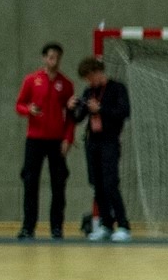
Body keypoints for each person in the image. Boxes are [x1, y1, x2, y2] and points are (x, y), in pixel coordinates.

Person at [69, 57, 132, 241]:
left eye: (90, 77)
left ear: (98, 72)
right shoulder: (90, 91)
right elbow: (80, 118)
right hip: (93, 141)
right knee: (97, 184)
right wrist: (72, 109)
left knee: (110, 183)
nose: (89, 82)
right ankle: (106, 224)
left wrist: (100, 109)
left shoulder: (117, 88)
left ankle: (123, 225)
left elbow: (124, 112)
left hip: (109, 141)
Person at [16, 42, 75, 240]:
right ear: (44, 58)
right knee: (30, 183)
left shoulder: (66, 84)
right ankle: (28, 227)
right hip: (34, 140)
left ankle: (57, 227)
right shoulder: (31, 80)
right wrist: (28, 110)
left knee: (58, 185)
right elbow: (19, 105)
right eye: (51, 57)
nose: (54, 61)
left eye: (57, 57)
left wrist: (68, 138)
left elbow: (71, 116)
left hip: (56, 141)